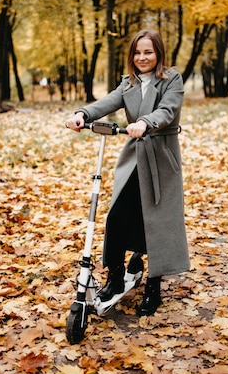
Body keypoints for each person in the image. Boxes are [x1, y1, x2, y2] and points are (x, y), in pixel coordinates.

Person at [65, 29, 190, 316]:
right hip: (134, 155)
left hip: (160, 156)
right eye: (137, 52)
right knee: (117, 215)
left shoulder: (171, 79)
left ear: (158, 53)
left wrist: (146, 121)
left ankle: (153, 287)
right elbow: (106, 103)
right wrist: (83, 114)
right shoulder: (128, 84)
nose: (142, 57)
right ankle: (116, 277)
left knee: (155, 219)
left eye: (148, 52)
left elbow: (167, 111)